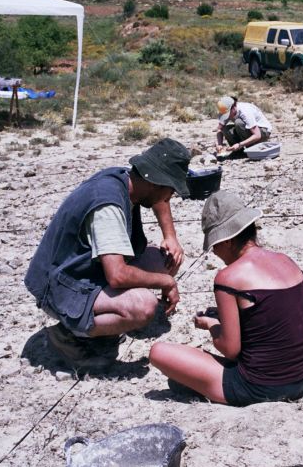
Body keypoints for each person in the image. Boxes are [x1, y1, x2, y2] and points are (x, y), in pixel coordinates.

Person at [24, 138, 191, 369]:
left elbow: (158, 199)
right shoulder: (108, 206)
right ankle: (69, 335)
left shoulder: (131, 179)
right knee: (144, 306)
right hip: (59, 286)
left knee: (163, 258)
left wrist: (170, 236)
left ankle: (102, 317)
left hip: (86, 270)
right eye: (170, 190)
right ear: (157, 182)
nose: (169, 197)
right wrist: (167, 282)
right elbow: (118, 276)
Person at [149, 190, 303, 406]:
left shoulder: (228, 278)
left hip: (258, 386)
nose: (215, 253)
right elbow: (275, 313)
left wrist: (211, 325)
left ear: (227, 240)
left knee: (159, 352)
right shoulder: (287, 261)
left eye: (215, 245)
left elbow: (229, 348)